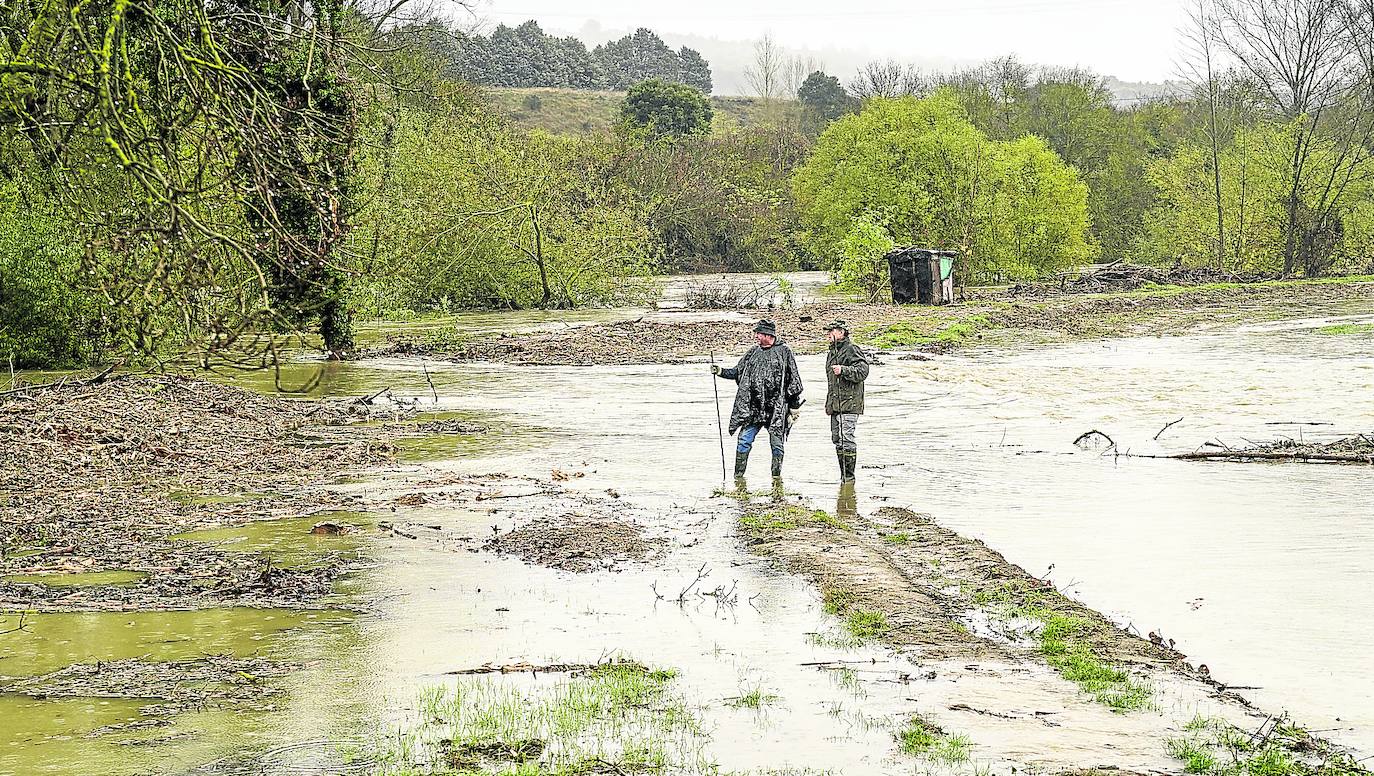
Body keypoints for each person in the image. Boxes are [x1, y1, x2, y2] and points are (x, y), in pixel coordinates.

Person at [711, 319, 803, 480]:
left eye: (759, 334)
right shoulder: (753, 352)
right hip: (753, 409)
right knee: (743, 441)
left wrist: (794, 407)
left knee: (777, 445)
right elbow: (737, 372)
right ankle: (738, 478)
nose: (756, 336)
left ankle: (776, 479)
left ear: (768, 335)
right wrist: (720, 371)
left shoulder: (784, 352)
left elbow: (793, 381)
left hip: (776, 410)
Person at [824, 319, 869, 481]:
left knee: (846, 439)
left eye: (831, 331)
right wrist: (829, 404)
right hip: (836, 405)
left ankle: (849, 479)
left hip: (850, 405)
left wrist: (844, 370)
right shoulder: (832, 352)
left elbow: (863, 371)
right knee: (837, 440)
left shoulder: (852, 349)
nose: (828, 334)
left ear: (841, 332)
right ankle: (844, 477)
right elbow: (832, 383)